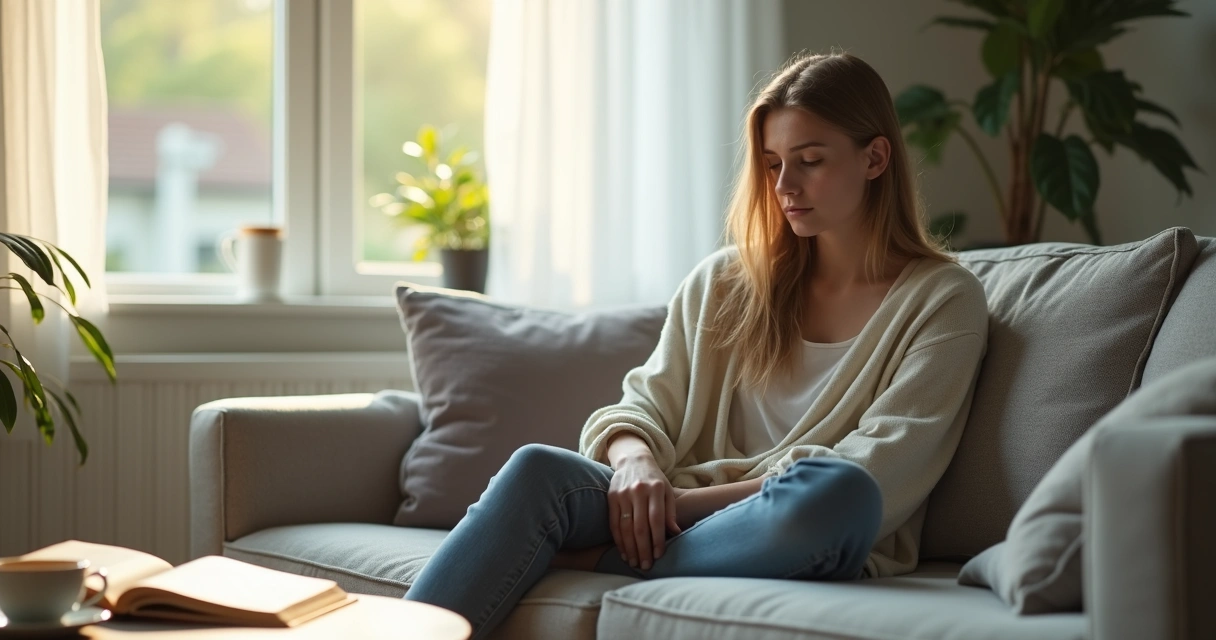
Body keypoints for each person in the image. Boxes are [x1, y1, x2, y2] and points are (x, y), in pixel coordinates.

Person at [404, 50, 989, 640]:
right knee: (537, 469)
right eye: (772, 164)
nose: (784, 186)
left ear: (875, 158)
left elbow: (884, 470)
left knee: (841, 491)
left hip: (795, 523)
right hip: (664, 504)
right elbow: (641, 407)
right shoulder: (724, 282)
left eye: (810, 161)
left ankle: (600, 559)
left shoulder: (943, 298)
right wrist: (635, 466)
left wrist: (671, 510)